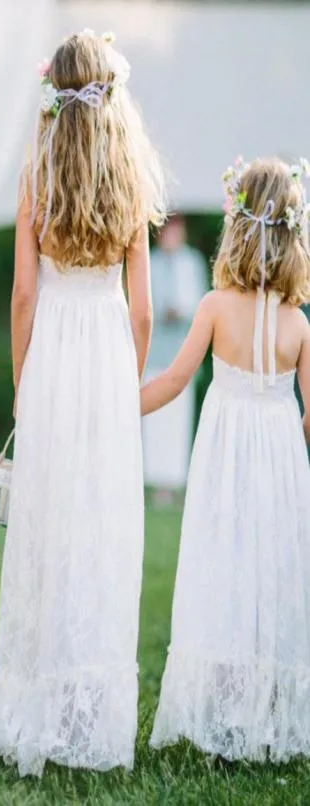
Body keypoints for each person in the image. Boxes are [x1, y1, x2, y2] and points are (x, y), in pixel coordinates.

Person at [0, 30, 165, 776]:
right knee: (103, 525)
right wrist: (125, 383)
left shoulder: (36, 177)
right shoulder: (128, 178)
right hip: (104, 356)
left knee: (49, 523)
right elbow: (144, 310)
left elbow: (24, 294)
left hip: (56, 352)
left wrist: (25, 381)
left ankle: (40, 698)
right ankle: (91, 713)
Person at [144, 157, 310, 761]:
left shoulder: (214, 306)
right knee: (271, 569)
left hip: (224, 463)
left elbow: (173, 380)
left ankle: (221, 695)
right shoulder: (298, 325)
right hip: (280, 465)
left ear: (236, 228)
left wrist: (120, 406)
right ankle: (266, 700)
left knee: (225, 563)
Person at [142, 214, 207, 501]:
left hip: (183, 353)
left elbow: (203, 304)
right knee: (156, 421)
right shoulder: (149, 261)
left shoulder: (192, 262)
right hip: (156, 352)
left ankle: (176, 480)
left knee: (179, 420)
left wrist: (181, 311)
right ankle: (155, 482)